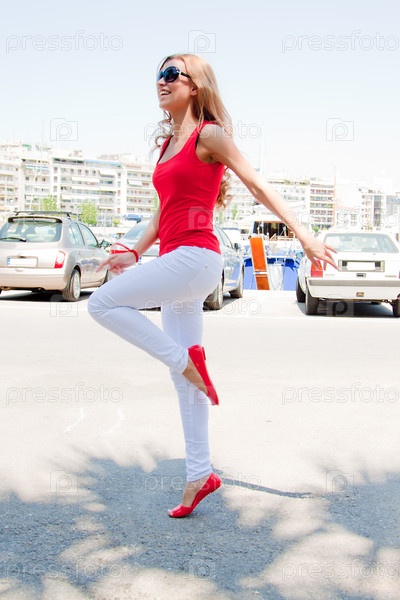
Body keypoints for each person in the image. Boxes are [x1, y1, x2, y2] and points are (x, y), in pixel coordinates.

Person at [88, 53, 336, 518]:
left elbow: (257, 185)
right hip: (174, 260)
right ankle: (200, 475)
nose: (161, 82)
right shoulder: (166, 146)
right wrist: (134, 252)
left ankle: (187, 363)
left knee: (100, 305)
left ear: (195, 85)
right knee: (185, 383)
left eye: (171, 74)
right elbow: (161, 214)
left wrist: (303, 235)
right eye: (158, 75)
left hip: (196, 258)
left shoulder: (210, 135)